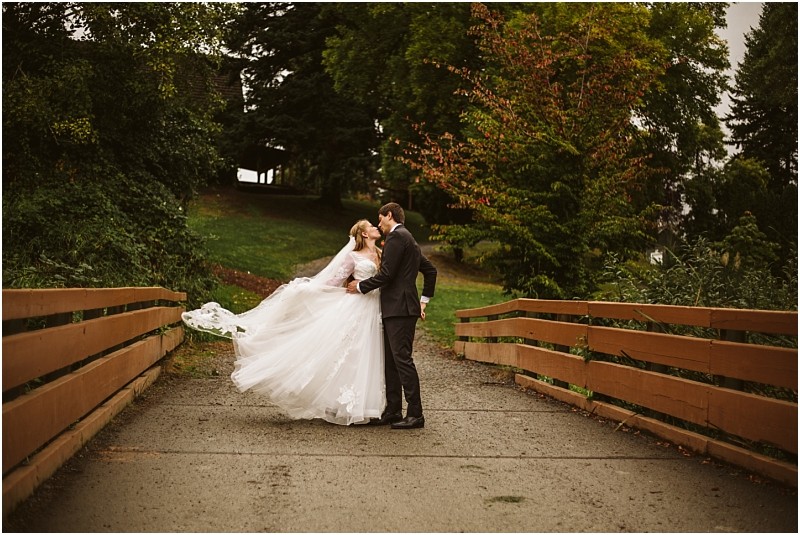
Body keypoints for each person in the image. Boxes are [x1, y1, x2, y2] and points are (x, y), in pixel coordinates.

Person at [182, 220, 386, 426]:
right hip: (355, 307)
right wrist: (308, 289)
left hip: (373, 306)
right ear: (364, 234)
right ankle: (344, 405)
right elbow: (334, 281)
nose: (375, 227)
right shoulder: (353, 257)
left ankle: (366, 405)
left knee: (366, 352)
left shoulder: (380, 253)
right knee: (349, 353)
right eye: (371, 226)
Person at [347, 202, 437, 430]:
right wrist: (423, 301)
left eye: (380, 219)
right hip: (397, 308)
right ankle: (393, 410)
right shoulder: (408, 238)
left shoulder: (397, 237)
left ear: (389, 215)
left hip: (400, 309)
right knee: (392, 362)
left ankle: (415, 414)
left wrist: (360, 287)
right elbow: (430, 270)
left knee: (402, 360)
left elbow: (387, 274)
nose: (379, 224)